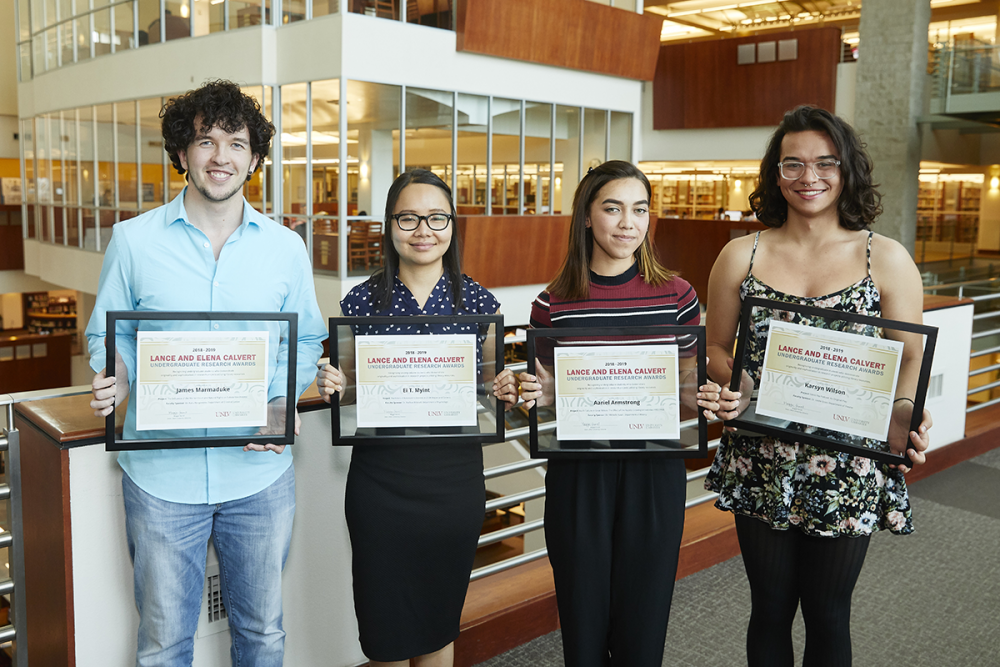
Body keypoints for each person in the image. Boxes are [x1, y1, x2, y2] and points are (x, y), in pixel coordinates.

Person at [86, 80, 327, 666]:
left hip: (259, 477)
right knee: (164, 643)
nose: (221, 156)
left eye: (237, 143)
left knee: (262, 635)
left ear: (255, 159)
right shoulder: (133, 240)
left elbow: (309, 337)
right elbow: (108, 333)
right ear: (181, 153)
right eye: (206, 141)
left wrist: (280, 401)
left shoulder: (285, 248)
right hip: (161, 476)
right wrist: (113, 372)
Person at [704, 105, 933, 667]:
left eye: (825, 163)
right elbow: (713, 348)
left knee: (830, 612)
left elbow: (910, 356)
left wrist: (903, 410)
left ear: (847, 169)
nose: (810, 176)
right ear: (774, 174)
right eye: (793, 164)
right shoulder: (742, 254)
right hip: (763, 452)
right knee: (769, 609)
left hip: (850, 460)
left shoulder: (886, 257)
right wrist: (739, 381)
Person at [517, 160, 723, 666]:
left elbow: (687, 386)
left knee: (643, 626)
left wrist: (710, 395)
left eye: (639, 209)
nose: (628, 222)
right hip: (578, 473)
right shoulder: (553, 303)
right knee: (583, 628)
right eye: (613, 208)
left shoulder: (678, 296)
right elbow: (545, 395)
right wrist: (535, 395)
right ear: (587, 217)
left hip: (654, 472)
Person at [316, 169, 519, 667]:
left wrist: (507, 389)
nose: (423, 229)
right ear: (389, 225)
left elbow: (493, 394)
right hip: (381, 485)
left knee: (438, 621)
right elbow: (348, 395)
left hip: (453, 484)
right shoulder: (360, 301)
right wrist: (333, 385)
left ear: (452, 226)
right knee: (384, 629)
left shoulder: (478, 302)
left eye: (436, 218)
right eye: (408, 217)